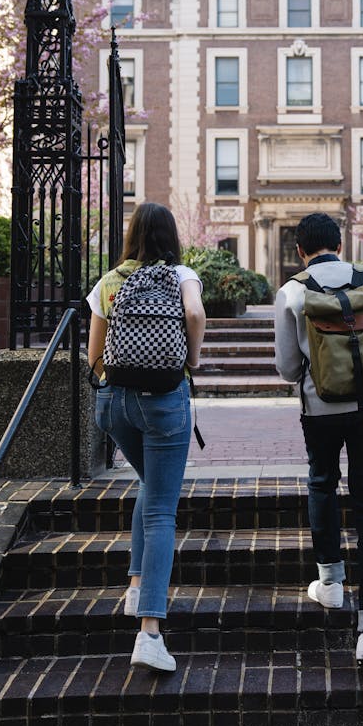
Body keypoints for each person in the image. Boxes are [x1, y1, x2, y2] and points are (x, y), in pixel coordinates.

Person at [274, 212, 363, 670]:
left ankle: (330, 582)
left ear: (299, 249)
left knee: (323, 483)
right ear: (341, 243)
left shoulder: (292, 291)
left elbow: (288, 368)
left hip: (321, 409)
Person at [87, 201, 206, 672]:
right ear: (171, 237)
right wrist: (191, 361)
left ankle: (136, 584)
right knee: (161, 509)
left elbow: (95, 355)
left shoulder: (109, 282)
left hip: (114, 404)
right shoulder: (181, 276)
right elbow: (194, 315)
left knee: (149, 487)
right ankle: (149, 633)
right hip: (164, 401)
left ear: (132, 235)